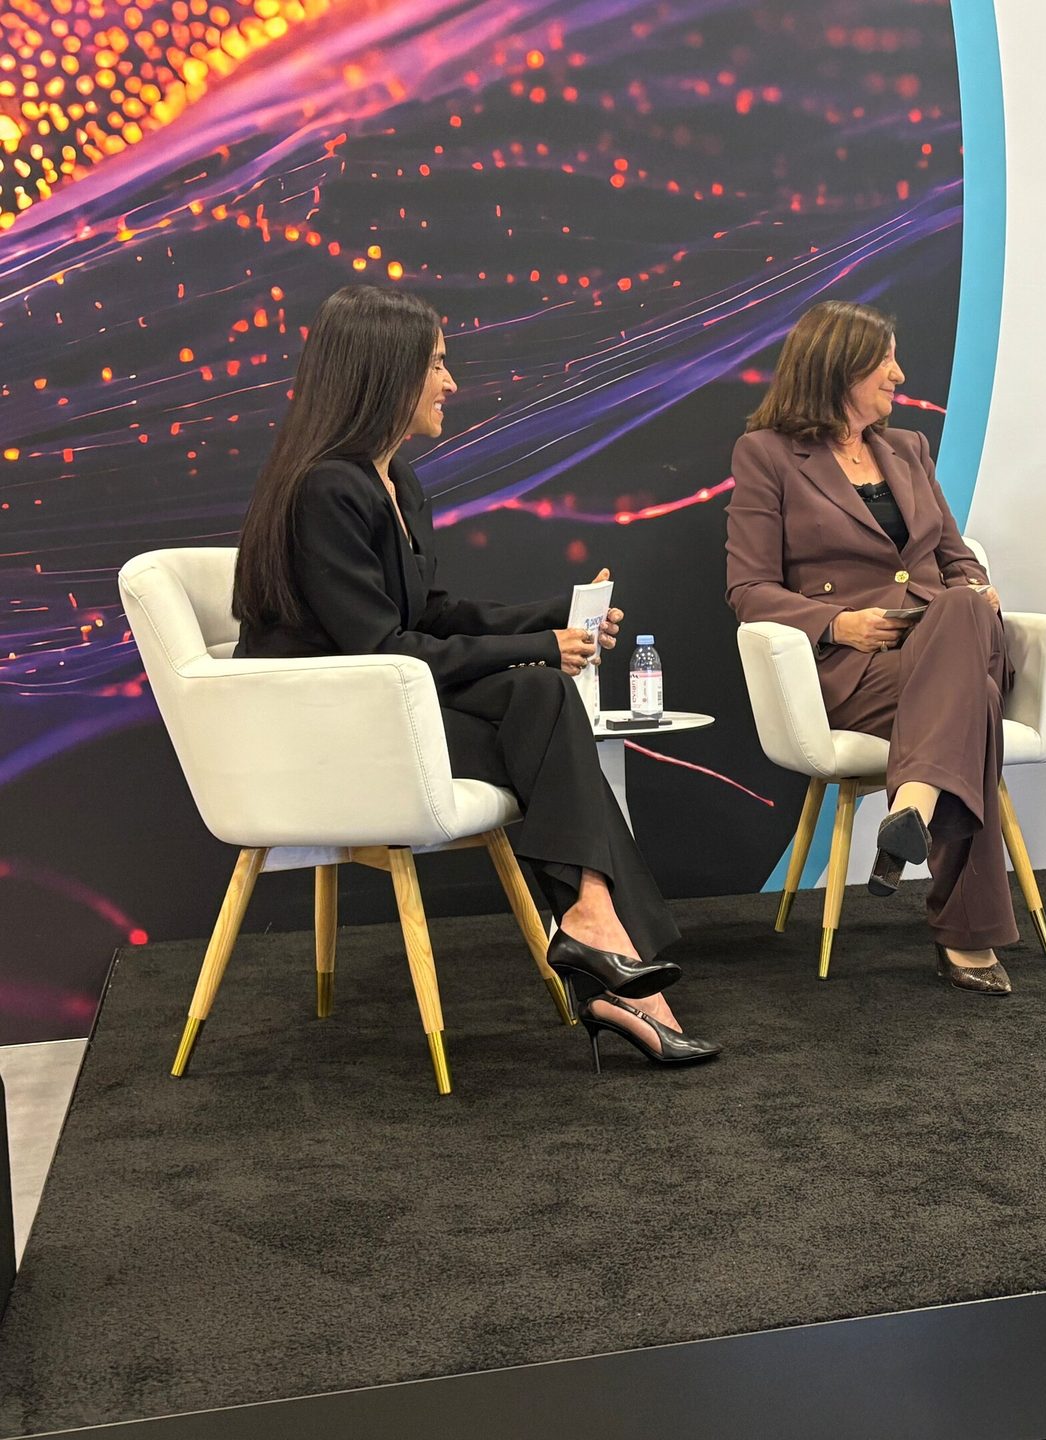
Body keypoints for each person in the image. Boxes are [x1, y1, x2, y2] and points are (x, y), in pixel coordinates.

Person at [233, 284, 720, 1067]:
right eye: (436, 364)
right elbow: (383, 648)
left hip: (388, 707)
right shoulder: (326, 489)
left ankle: (598, 932)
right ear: (384, 373)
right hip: (330, 729)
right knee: (541, 691)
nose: (451, 383)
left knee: (540, 691)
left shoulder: (395, 483)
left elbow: (433, 613)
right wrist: (537, 647)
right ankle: (609, 953)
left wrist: (553, 619)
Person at [726, 300, 1017, 995]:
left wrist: (978, 588)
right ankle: (963, 931)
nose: (899, 373)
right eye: (885, 360)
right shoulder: (768, 455)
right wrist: (837, 623)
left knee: (959, 605)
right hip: (863, 665)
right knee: (971, 700)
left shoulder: (907, 448)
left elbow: (956, 557)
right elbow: (749, 588)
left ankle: (911, 805)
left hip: (945, 635)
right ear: (839, 367)